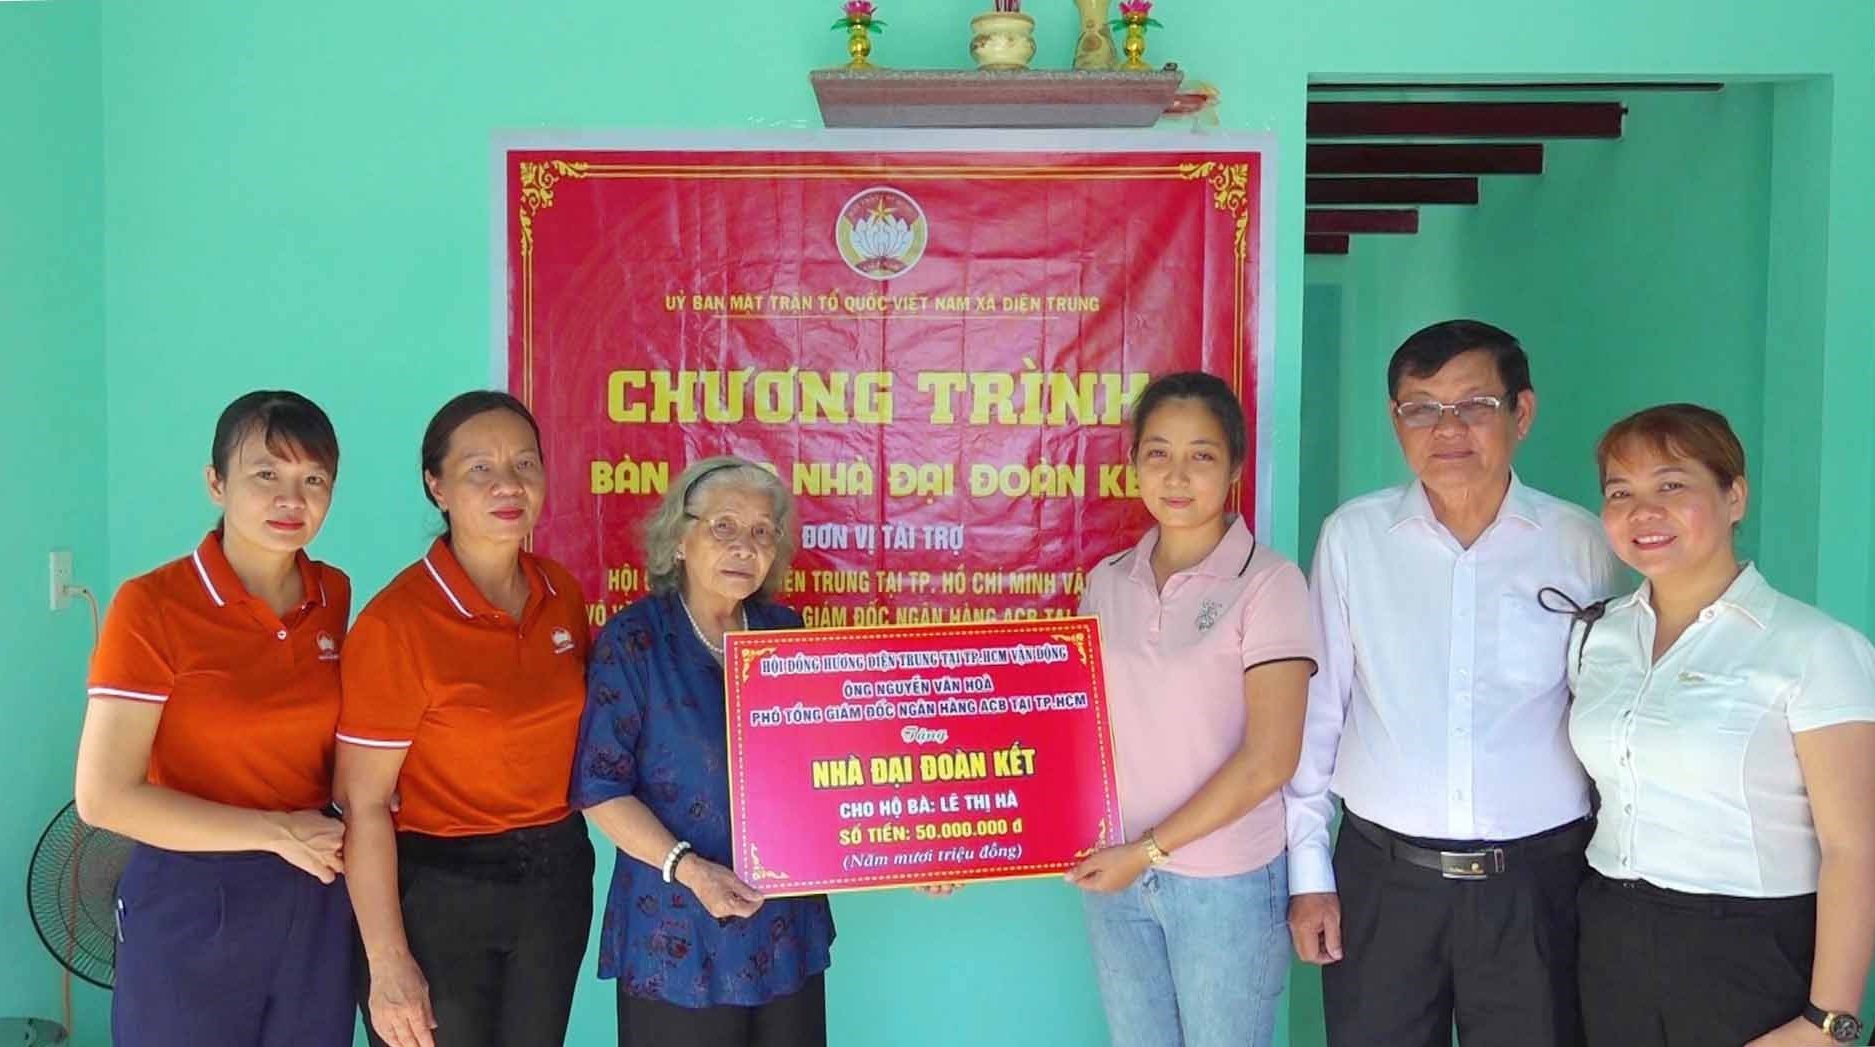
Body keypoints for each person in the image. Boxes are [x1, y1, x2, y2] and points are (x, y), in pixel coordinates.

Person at [1285, 320, 1624, 1046]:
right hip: (1383, 880)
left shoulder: (1586, 544)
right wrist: (1308, 870)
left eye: (1473, 404)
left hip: (1538, 884)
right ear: (1395, 420)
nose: (1447, 429)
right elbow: (1319, 711)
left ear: (1521, 413)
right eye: (1421, 408)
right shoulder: (1353, 537)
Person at [1570, 403, 1875, 1047]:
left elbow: (1854, 848)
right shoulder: (1597, 636)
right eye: (1620, 492)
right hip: (1608, 938)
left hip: (1750, 950)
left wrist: (1829, 1020)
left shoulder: (1814, 647)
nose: (1642, 512)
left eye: (1672, 486)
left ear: (1734, 496)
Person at [75, 390, 354, 1046]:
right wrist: (274, 830)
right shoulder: (153, 605)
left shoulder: (332, 593)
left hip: (313, 889)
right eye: (266, 475)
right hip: (192, 892)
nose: (292, 499)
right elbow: (102, 796)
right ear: (215, 482)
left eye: (313, 479)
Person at [335, 391, 594, 1047]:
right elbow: (361, 802)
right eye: (479, 467)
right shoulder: (398, 622)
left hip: (556, 879)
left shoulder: (560, 593)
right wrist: (388, 961)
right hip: (440, 889)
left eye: (525, 463)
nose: (508, 484)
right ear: (436, 485)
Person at [1069, 372, 1316, 1047]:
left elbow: (1270, 758)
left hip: (1224, 882)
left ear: (1234, 466)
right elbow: (1070, 731)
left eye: (1201, 454)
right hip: (1114, 874)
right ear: (1133, 465)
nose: (1177, 475)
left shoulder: (1267, 581)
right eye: (1157, 453)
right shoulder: (1106, 580)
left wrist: (1147, 850)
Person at [571, 456, 836, 1047]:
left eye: (763, 531)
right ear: (679, 539)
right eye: (724, 526)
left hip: (783, 928)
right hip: (677, 931)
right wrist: (691, 871)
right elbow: (600, 790)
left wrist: (918, 854)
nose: (745, 545)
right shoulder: (635, 640)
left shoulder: (787, 635)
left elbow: (838, 774)